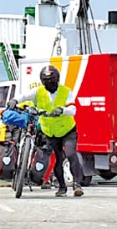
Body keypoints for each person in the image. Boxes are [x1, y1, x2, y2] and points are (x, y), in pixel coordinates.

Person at [11, 65, 85, 197]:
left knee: (70, 154)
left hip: (67, 130)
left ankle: (77, 184)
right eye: (46, 81)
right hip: (50, 132)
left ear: (57, 80)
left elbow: (73, 109)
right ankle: (62, 188)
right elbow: (24, 96)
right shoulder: (38, 92)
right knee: (58, 158)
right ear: (42, 81)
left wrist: (62, 110)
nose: (49, 84)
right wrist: (14, 101)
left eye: (52, 80)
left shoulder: (65, 91)